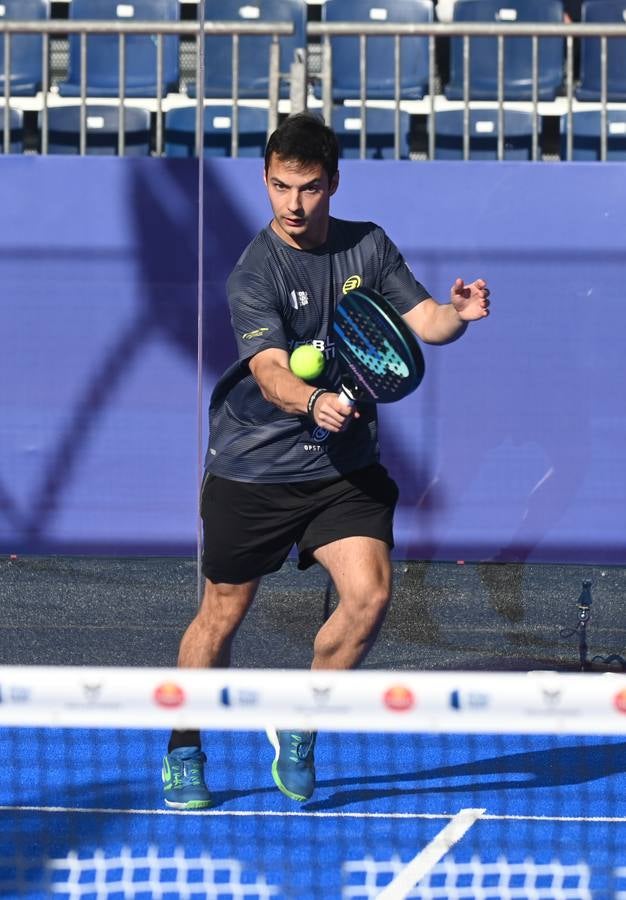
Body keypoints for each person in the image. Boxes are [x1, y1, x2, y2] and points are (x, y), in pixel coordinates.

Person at [161, 113, 490, 809]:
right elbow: (274, 370)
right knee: (222, 612)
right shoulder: (256, 270)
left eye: (308, 187)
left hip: (342, 468)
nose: (293, 203)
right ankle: (185, 745)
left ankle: (302, 720)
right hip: (254, 466)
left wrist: (458, 314)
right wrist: (310, 404)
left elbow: (424, 321)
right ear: (266, 179)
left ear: (332, 183)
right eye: (280, 186)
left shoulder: (367, 246)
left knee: (369, 595)